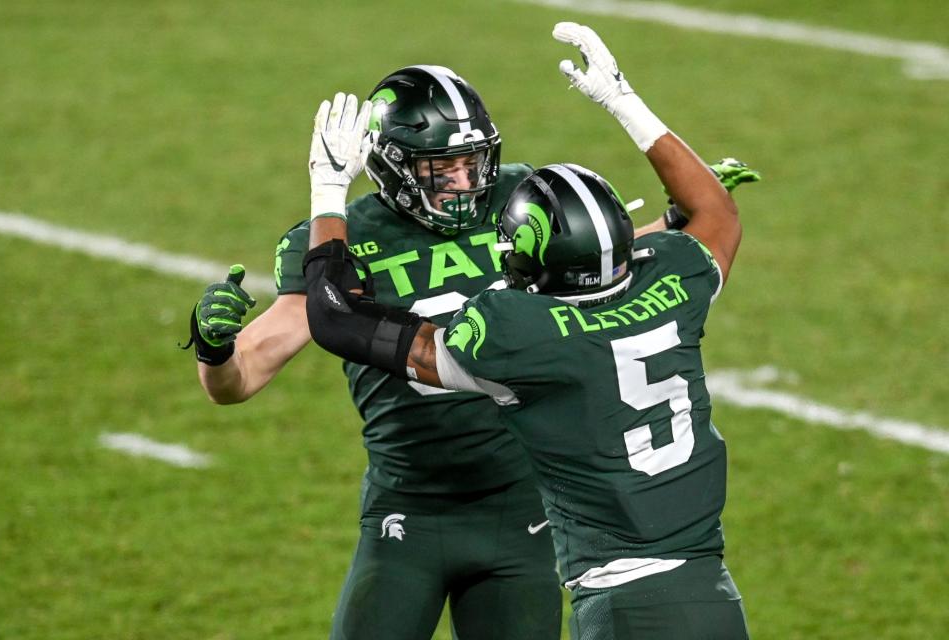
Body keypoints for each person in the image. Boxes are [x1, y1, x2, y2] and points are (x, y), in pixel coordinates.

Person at [302, 22, 754, 640]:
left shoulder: (515, 336)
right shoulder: (673, 280)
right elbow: (715, 213)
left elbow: (336, 316)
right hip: (710, 589)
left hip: (622, 603)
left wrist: (327, 191)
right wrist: (625, 102)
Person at [185, 65, 564, 639]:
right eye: (442, 169)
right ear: (391, 166)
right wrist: (213, 351)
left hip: (524, 508)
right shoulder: (349, 237)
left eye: (473, 163)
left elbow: (593, 268)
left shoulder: (517, 197)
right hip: (409, 506)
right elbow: (241, 377)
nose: (464, 183)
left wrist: (678, 217)